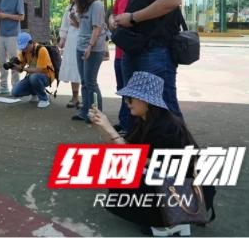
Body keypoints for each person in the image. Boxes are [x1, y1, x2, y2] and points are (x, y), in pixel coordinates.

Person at [89, 71, 216, 236]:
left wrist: (109, 128)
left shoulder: (166, 127)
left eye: (130, 98)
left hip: (185, 188)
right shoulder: (144, 120)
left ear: (147, 101)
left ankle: (171, 222)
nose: (127, 103)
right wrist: (102, 126)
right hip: (170, 179)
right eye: (126, 98)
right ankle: (161, 217)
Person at [108, 0, 141, 134]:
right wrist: (112, 20)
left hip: (133, 49)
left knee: (132, 91)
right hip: (120, 51)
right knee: (122, 89)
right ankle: (124, 121)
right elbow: (112, 13)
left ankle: (132, 127)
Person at [71, 0, 106, 123]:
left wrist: (90, 47)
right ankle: (85, 111)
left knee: (91, 82)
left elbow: (97, 28)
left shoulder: (97, 5)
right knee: (84, 82)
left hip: (93, 49)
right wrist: (74, 20)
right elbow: (82, 27)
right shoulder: (83, 5)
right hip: (81, 47)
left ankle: (97, 114)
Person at [0, 0, 25, 95]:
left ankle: (16, 87)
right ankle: (3, 86)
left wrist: (5, 15)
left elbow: (21, 17)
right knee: (1, 61)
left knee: (14, 62)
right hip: (2, 34)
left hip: (13, 35)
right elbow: (1, 14)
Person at [10, 32, 55, 108]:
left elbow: (39, 70)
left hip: (47, 76)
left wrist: (23, 68)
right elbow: (21, 69)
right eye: (22, 48)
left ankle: (44, 99)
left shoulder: (41, 50)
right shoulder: (23, 52)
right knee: (15, 92)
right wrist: (15, 67)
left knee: (34, 77)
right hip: (33, 77)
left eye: (25, 47)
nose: (24, 49)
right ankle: (36, 93)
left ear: (31, 42)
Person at [58, 0, 81, 108]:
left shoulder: (87, 7)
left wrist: (77, 23)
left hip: (83, 39)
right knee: (73, 67)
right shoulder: (69, 8)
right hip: (71, 40)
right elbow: (65, 24)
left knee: (83, 68)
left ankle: (89, 98)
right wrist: (62, 39)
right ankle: (75, 97)